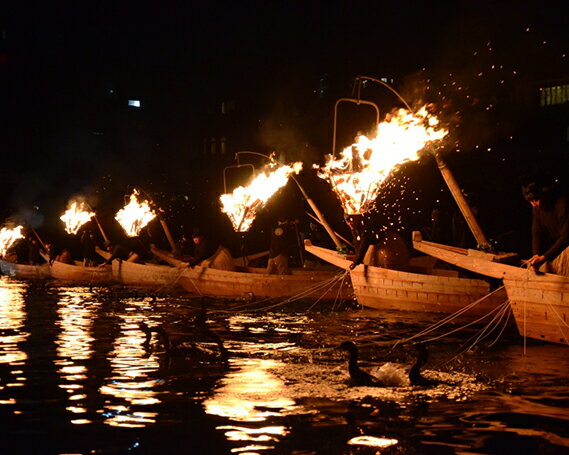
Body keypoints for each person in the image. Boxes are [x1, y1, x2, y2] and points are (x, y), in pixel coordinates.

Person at [522, 180, 569, 275]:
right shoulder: (536, 208)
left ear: (544, 196)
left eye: (536, 200)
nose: (534, 204)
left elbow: (566, 237)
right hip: (555, 246)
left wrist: (544, 257)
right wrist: (536, 254)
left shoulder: (562, 205)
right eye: (531, 201)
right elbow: (536, 231)